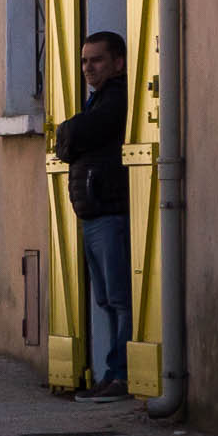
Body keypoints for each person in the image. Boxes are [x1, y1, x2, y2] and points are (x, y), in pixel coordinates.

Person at [55, 30, 132, 402]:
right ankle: (112, 372)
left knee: (119, 299)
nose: (88, 67)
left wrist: (68, 131)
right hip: (95, 214)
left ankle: (122, 374)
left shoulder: (115, 100)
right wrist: (69, 134)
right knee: (106, 299)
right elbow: (69, 141)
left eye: (97, 60)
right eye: (84, 61)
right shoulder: (97, 101)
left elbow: (72, 135)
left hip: (110, 213)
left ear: (118, 63)